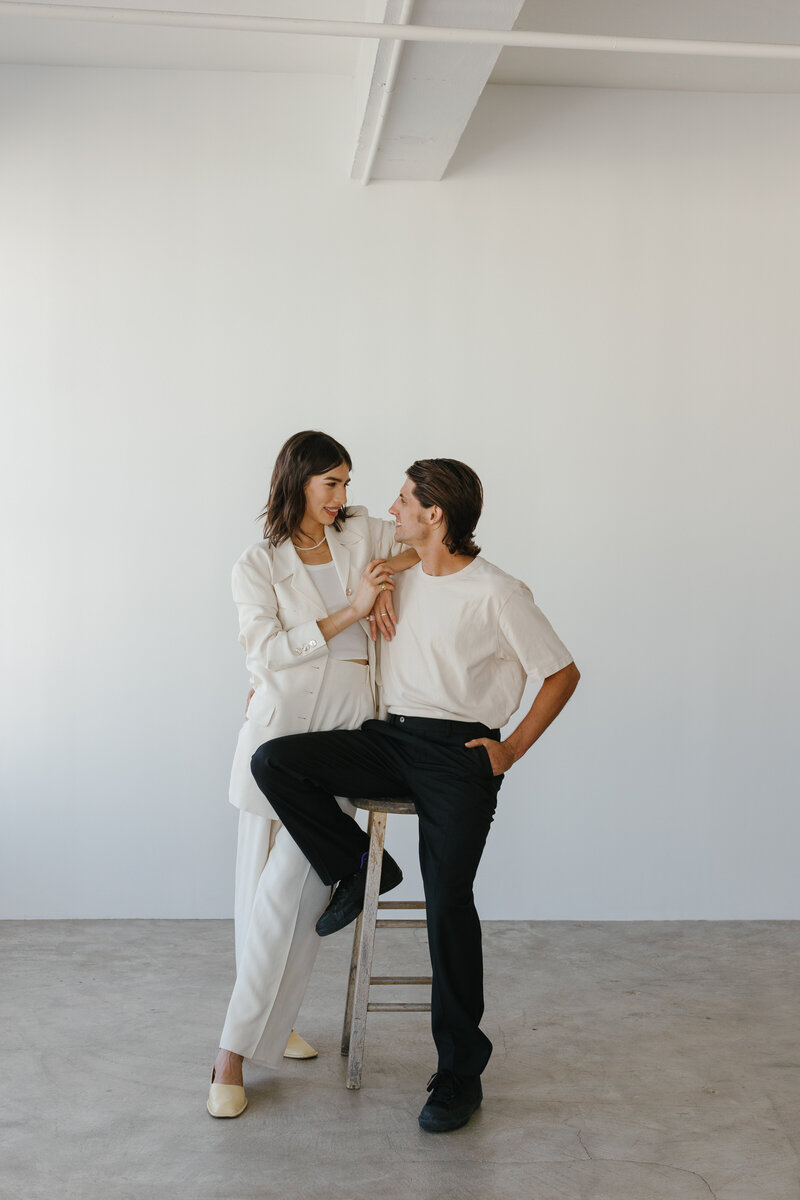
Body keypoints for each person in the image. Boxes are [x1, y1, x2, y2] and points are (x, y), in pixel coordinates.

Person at [251, 458, 580, 1133]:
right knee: (277, 762)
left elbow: (562, 673)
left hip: (459, 755)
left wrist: (509, 750)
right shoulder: (397, 572)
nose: (390, 508)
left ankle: (459, 1072)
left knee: (448, 903)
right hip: (391, 738)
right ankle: (354, 865)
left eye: (404, 500)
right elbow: (385, 575)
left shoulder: (499, 591)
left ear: (435, 514)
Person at [207, 430, 417, 1119]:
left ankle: (237, 1048)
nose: (343, 497)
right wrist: (350, 612)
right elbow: (266, 653)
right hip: (278, 734)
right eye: (331, 483)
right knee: (259, 901)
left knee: (291, 897)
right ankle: (258, 1035)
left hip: (342, 737)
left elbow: (424, 542)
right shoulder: (257, 562)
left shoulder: (359, 533)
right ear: (297, 481)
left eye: (348, 483)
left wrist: (386, 577)